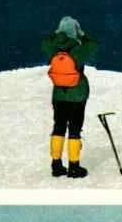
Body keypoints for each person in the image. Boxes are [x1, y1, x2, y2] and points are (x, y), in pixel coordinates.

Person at [41, 16, 99, 179]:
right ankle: (74, 167)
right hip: (77, 94)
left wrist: (57, 33)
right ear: (75, 31)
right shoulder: (78, 49)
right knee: (74, 129)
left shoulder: (52, 47)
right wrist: (82, 34)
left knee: (58, 127)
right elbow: (94, 45)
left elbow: (45, 41)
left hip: (59, 94)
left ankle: (56, 165)